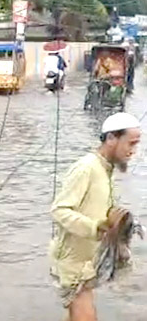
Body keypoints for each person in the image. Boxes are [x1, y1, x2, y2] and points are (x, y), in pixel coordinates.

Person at [50, 112, 142, 321]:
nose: (133, 151)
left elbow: (95, 209)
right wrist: (97, 227)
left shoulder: (106, 170)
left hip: (88, 261)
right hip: (71, 263)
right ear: (111, 139)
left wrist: (115, 220)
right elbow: (59, 210)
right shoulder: (86, 168)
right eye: (130, 144)